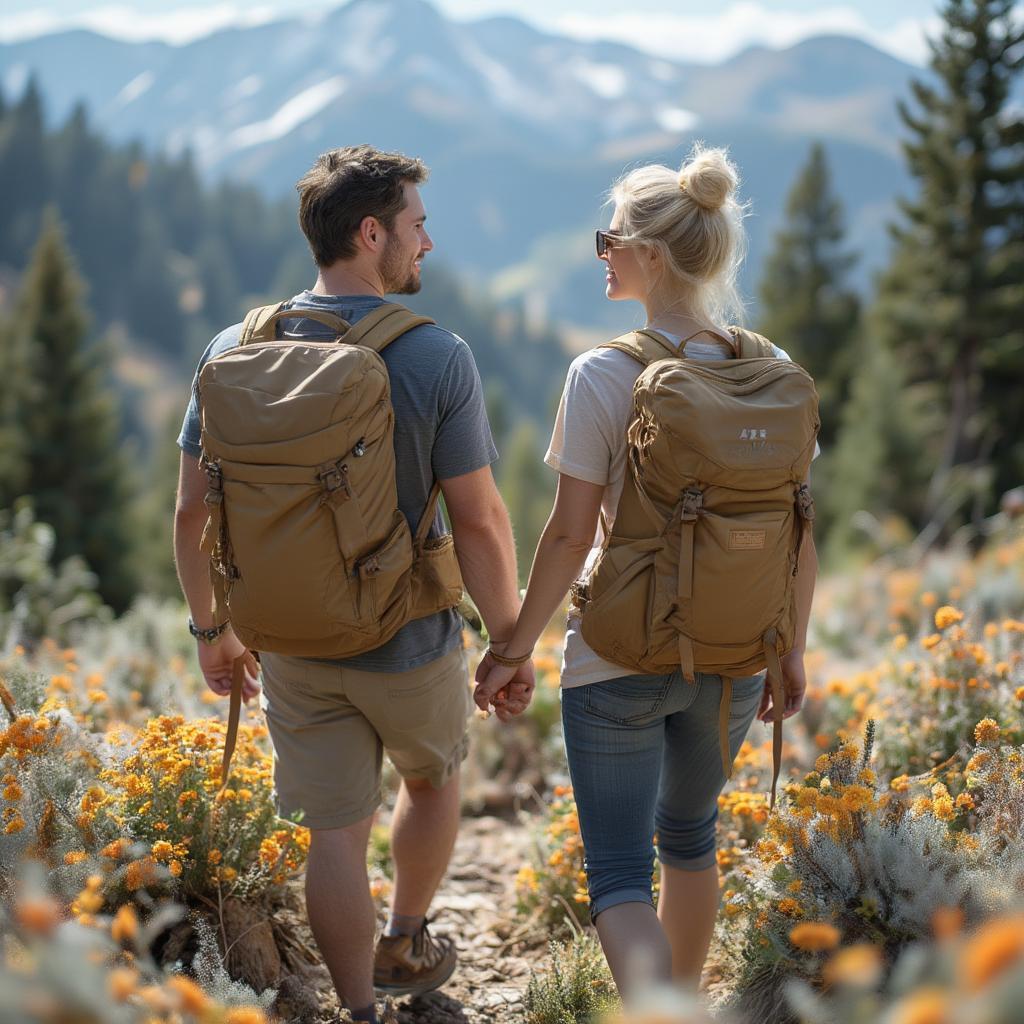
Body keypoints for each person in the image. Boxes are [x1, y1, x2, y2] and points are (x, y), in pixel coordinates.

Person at [174, 145, 533, 1024]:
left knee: (334, 832)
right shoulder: (434, 355)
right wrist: (508, 643)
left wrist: (211, 631)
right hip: (407, 639)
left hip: (289, 641)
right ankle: (407, 936)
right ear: (371, 233)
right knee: (433, 781)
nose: (428, 245)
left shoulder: (235, 346)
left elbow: (191, 515)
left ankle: (360, 1010)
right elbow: (481, 520)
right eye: (417, 226)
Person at [474, 145, 817, 1001]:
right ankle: (683, 1007)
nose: (603, 253)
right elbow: (800, 529)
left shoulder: (602, 373)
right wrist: (791, 645)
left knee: (621, 876)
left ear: (652, 256)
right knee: (691, 843)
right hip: (735, 651)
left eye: (611, 239)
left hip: (618, 655)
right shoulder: (766, 370)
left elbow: (566, 536)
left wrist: (512, 648)